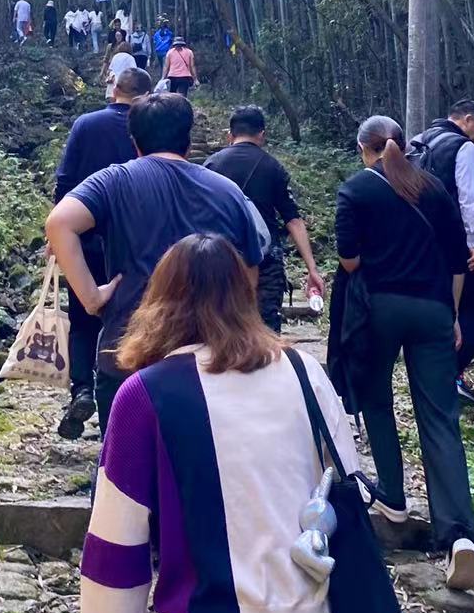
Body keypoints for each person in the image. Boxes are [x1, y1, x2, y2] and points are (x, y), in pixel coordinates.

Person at [76, 233, 359, 613]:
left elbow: (115, 556)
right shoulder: (304, 373)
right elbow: (347, 493)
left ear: (158, 301)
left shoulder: (144, 397)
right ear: (244, 294)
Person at [45, 92, 265, 433]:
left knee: (127, 461)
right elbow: (249, 273)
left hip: (130, 351)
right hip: (211, 356)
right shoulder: (228, 191)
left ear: (135, 142)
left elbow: (59, 223)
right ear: (188, 140)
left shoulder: (114, 181)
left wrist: (91, 297)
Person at [335, 114, 474, 589]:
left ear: (365, 148)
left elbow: (349, 260)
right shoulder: (433, 189)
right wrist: (452, 314)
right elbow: (458, 262)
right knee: (440, 417)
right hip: (434, 309)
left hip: (378, 310)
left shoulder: (357, 189)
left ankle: (392, 498)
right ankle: (458, 533)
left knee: (377, 400)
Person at [52, 65, 153, 440]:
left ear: (115, 90)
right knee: (131, 317)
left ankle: (82, 388)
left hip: (83, 238)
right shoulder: (148, 128)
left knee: (81, 319)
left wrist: (57, 234)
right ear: (145, 95)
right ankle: (127, 396)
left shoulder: (86, 124)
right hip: (131, 241)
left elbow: (65, 181)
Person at [205, 105, 325, 332]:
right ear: (262, 134)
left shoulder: (211, 165)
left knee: (220, 328)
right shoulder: (273, 167)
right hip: (266, 261)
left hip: (221, 259)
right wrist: (312, 269)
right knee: (267, 330)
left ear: (230, 135)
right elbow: (293, 220)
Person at [410, 100, 474, 406]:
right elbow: (470, 197)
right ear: (467, 120)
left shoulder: (417, 141)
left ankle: (429, 373)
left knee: (437, 305)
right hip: (455, 241)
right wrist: (473, 241)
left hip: (420, 242)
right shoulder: (462, 147)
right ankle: (451, 373)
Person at [101, 37, 136, 102]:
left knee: (113, 102)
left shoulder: (115, 56)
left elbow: (110, 69)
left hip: (113, 81)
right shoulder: (130, 58)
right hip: (124, 82)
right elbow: (134, 71)